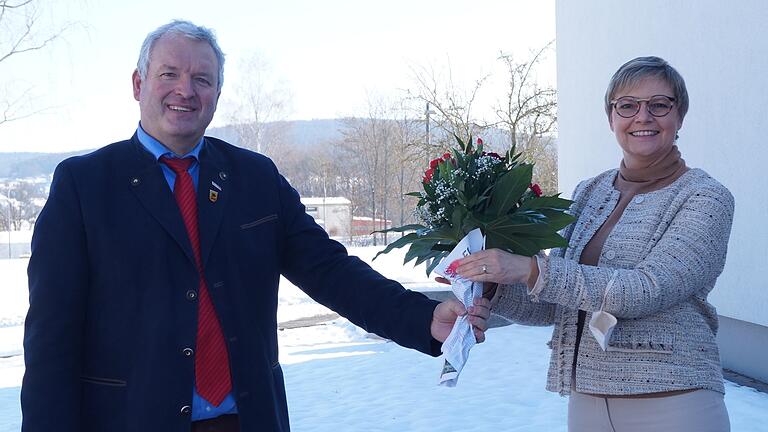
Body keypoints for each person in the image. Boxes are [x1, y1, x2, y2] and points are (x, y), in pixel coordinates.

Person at [21, 20, 490, 432]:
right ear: (139, 83)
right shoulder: (83, 187)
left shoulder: (254, 178)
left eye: (202, 79)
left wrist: (423, 319)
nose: (185, 89)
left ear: (217, 95)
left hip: (246, 421)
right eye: (169, 74)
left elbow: (330, 270)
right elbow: (50, 339)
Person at [450, 56, 733, 431]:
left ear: (679, 117)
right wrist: (493, 285)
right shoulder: (589, 192)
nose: (643, 117)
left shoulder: (705, 197)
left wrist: (531, 269)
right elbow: (557, 301)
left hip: (673, 401)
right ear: (611, 118)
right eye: (627, 106)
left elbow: (648, 289)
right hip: (587, 403)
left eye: (659, 105)